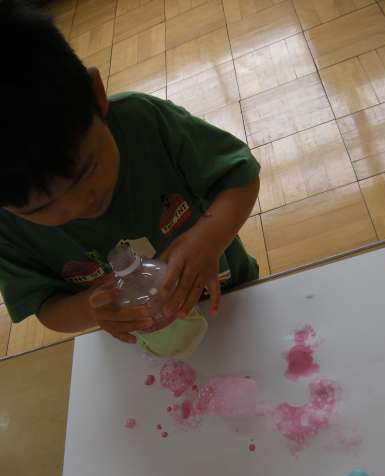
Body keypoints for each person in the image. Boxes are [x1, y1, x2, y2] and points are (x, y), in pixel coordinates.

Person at [0, 0, 260, 344]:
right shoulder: (7, 228)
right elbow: (45, 304)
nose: (80, 206)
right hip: (150, 339)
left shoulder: (145, 123)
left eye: (86, 172)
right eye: (40, 209)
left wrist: (209, 238)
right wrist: (92, 309)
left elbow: (240, 176)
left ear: (96, 94)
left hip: (232, 297)